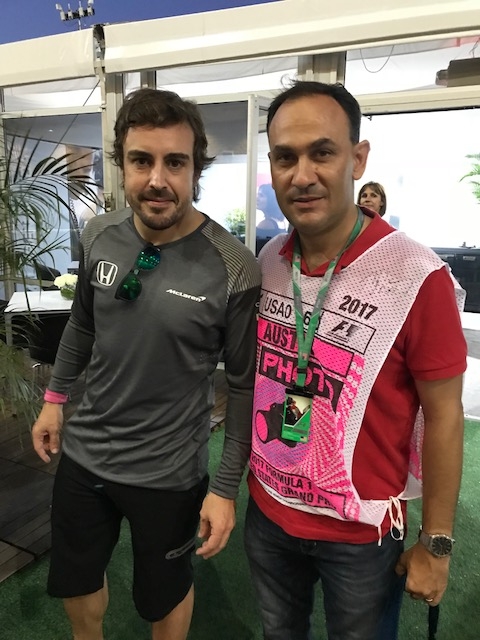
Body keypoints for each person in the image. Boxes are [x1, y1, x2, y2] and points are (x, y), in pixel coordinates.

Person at [31, 87, 261, 640]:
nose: (157, 179)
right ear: (123, 165)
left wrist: (226, 489)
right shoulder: (100, 237)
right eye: (142, 160)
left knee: (165, 594)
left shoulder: (234, 268)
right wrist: (54, 401)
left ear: (194, 169)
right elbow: (83, 327)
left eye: (174, 162)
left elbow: (245, 389)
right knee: (78, 578)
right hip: (85, 457)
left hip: (169, 474)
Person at [244, 80, 467, 640]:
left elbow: (444, 415)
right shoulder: (271, 258)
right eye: (285, 157)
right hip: (269, 510)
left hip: (361, 534)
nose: (302, 174)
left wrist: (436, 542)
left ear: (357, 158)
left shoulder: (416, 275)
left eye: (322, 152)